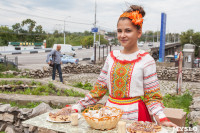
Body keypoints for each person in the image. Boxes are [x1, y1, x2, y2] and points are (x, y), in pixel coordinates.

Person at [68, 5, 177, 127]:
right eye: (119, 31)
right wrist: (77, 107)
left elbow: (152, 97)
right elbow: (99, 89)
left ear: (139, 32)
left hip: (135, 115)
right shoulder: (111, 57)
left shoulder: (147, 60)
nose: (122, 35)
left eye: (128, 31)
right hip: (109, 114)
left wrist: (162, 119)